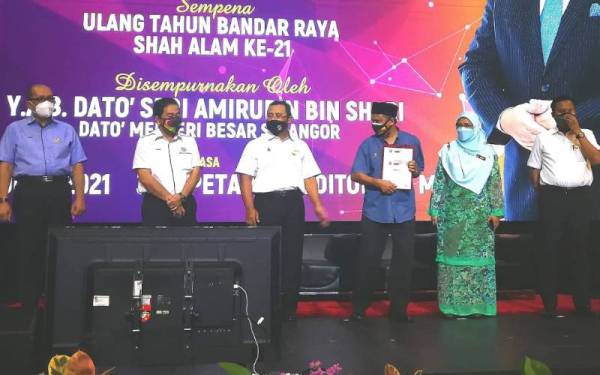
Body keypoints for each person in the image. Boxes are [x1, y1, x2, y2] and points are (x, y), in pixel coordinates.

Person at [459, 0, 600, 220]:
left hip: (592, 184)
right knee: (523, 254)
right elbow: (475, 66)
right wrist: (504, 117)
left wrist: (571, 119)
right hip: (524, 190)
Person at [235, 100, 329, 321]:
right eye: (270, 115)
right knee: (268, 256)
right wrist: (250, 208)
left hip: (294, 203)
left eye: (279, 115)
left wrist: (317, 205)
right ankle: (267, 308)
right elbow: (245, 178)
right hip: (267, 203)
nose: (274, 119)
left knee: (292, 256)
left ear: (289, 119)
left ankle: (289, 310)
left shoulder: (301, 146)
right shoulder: (255, 145)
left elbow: (309, 178)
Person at [0, 84, 87, 307]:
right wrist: (2, 200)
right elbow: (6, 166)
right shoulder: (15, 129)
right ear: (29, 103)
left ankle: (58, 298)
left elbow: (77, 165)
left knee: (59, 246)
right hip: (28, 191)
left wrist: (80, 197)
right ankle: (28, 299)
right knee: (29, 245)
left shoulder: (66, 129)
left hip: (58, 190)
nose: (47, 102)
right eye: (41, 98)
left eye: (50, 98)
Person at [347, 102, 424, 322]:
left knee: (403, 263)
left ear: (392, 120)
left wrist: (414, 170)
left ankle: (399, 311)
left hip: (404, 211)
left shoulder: (412, 142)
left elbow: (419, 169)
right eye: (373, 119)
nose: (375, 124)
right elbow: (356, 175)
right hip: (375, 211)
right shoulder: (367, 144)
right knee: (368, 261)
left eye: (379, 120)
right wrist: (377, 182)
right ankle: (359, 309)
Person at [527, 96, 600, 318]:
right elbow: (534, 169)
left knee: (581, 250)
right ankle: (550, 303)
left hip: (580, 199)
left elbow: (596, 158)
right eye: (562, 112)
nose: (567, 115)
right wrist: (545, 193)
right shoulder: (544, 138)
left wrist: (578, 132)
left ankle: (583, 304)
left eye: (571, 111)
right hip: (553, 198)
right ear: (553, 114)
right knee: (550, 250)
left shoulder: (586, 134)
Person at [429, 112, 503, 319]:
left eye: (467, 124)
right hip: (452, 214)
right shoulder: (448, 151)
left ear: (477, 127)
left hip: (480, 216)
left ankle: (479, 307)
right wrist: (435, 209)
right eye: (459, 124)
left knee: (478, 261)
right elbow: (440, 182)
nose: (462, 128)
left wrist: (496, 211)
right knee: (452, 261)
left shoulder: (488, 152)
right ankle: (452, 307)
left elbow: (494, 183)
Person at [132, 98, 201, 225]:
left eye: (177, 115)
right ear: (158, 119)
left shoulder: (189, 141)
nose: (175, 119)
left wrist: (181, 197)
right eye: (170, 116)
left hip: (185, 202)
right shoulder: (145, 142)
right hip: (156, 204)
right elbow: (145, 177)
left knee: (189, 244)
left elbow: (196, 173)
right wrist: (172, 202)